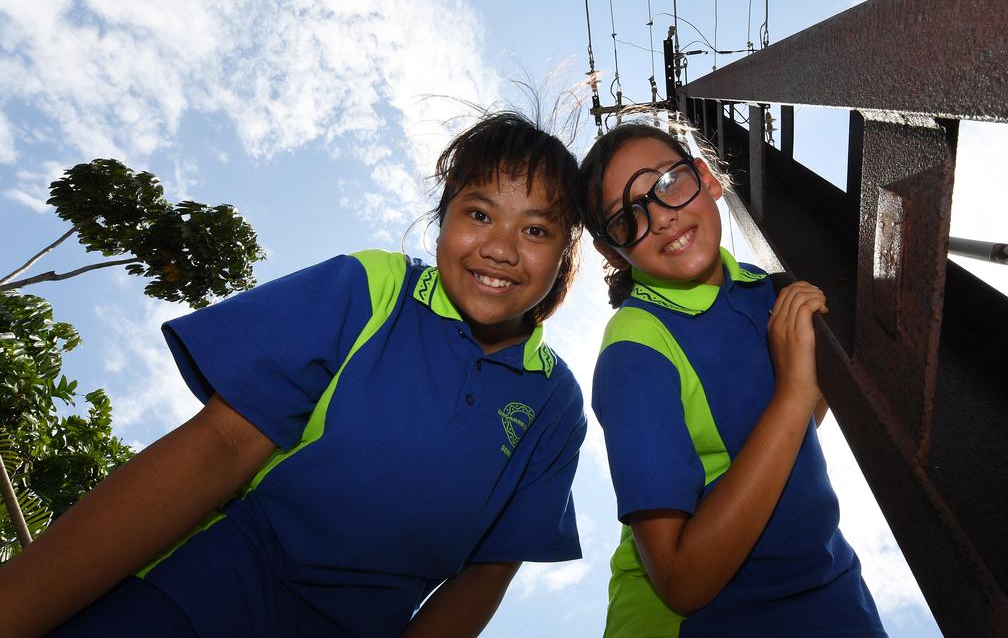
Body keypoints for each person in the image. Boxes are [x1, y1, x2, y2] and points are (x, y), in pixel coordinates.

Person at [0, 112, 589, 638]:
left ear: (565, 255)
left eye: (536, 230)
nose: (501, 248)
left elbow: (486, 577)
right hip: (200, 588)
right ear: (441, 220)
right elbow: (221, 444)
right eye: (479, 213)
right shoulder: (374, 289)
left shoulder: (555, 403)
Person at [580, 121, 886, 637]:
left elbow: (789, 422)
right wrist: (792, 397)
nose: (659, 216)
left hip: (825, 583)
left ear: (707, 178)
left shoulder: (764, 287)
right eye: (627, 216)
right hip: (692, 621)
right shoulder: (634, 346)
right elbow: (680, 581)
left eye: (668, 182)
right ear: (612, 251)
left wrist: (800, 390)